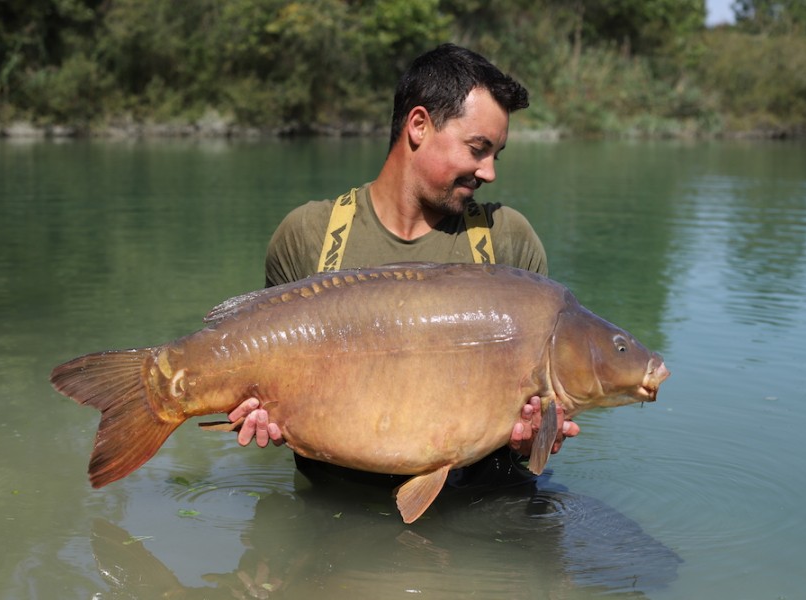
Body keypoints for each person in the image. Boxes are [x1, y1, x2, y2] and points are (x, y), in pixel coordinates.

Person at [229, 43, 579, 487]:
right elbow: (261, 383)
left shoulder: (505, 241)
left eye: (497, 154)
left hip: (476, 513)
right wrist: (256, 412)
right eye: (478, 148)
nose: (489, 171)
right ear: (418, 125)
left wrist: (534, 437)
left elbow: (535, 420)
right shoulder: (308, 236)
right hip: (334, 515)